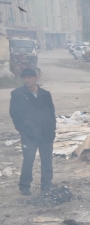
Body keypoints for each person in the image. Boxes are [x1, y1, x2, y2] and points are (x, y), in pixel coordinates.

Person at [9, 67, 55, 195]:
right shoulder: (17, 94)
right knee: (28, 160)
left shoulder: (45, 94)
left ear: (36, 77)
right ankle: (24, 186)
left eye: (29, 77)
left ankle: (46, 185)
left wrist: (52, 128)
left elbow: (51, 113)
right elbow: (14, 115)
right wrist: (23, 130)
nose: (27, 80)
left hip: (46, 133)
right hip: (29, 134)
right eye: (25, 77)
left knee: (47, 161)